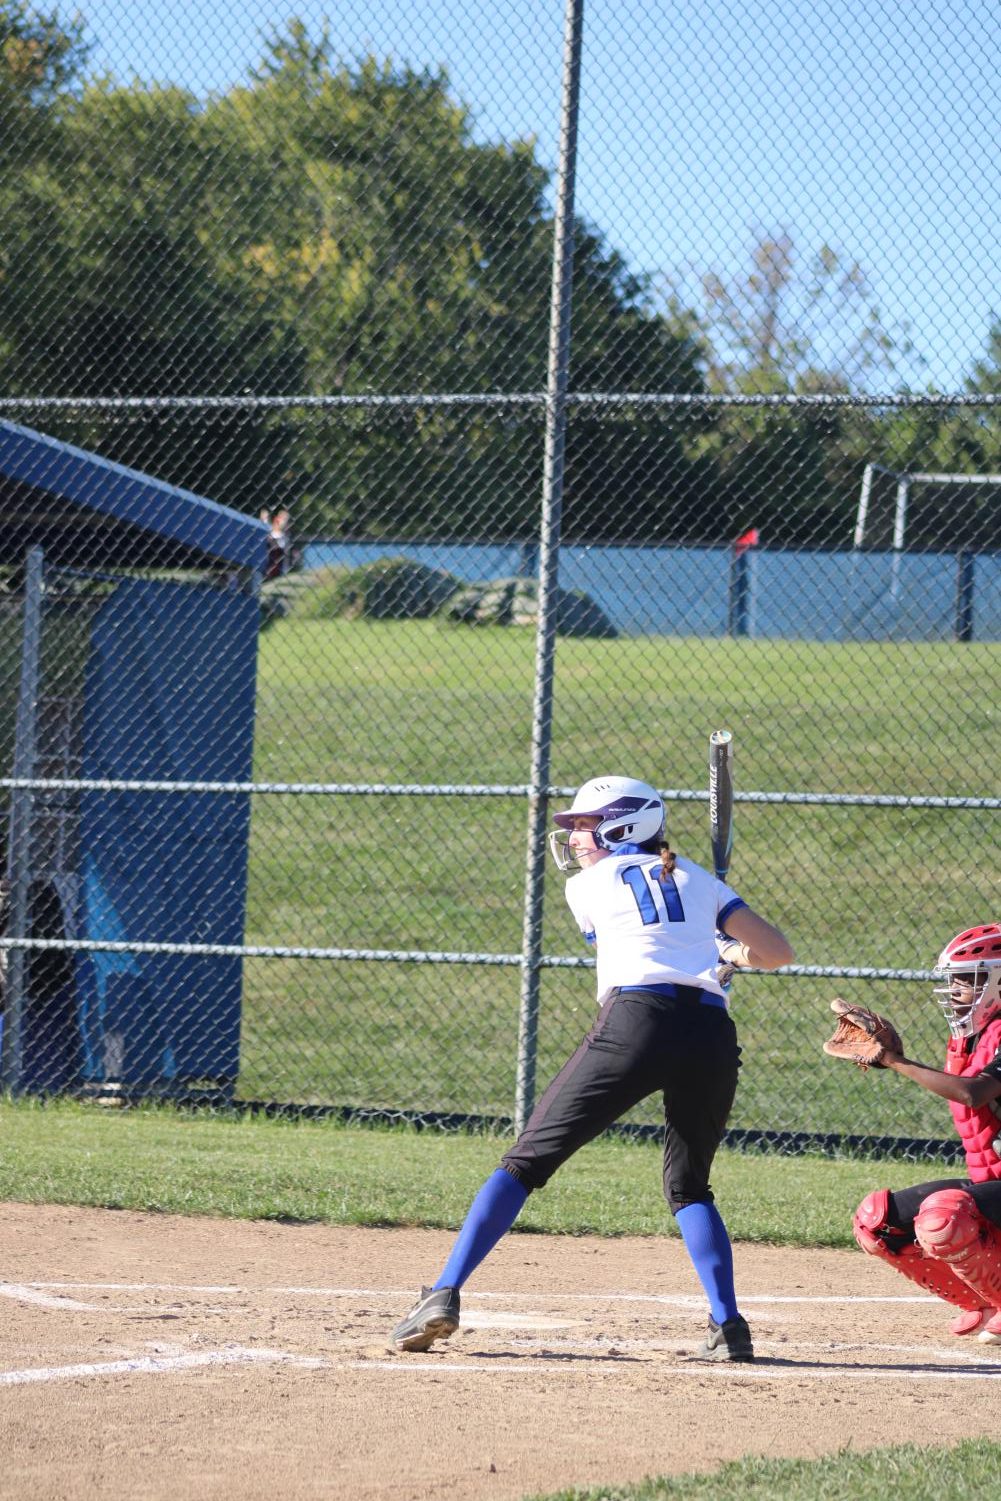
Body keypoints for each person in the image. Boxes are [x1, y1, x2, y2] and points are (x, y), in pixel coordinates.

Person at [392, 774, 794, 1362]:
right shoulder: (702, 881)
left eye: (585, 824)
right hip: (710, 1031)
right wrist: (724, 944)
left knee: (526, 1161)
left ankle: (443, 1293)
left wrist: (711, 943)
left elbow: (636, 937)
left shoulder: (589, 885)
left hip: (636, 1021)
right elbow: (777, 954)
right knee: (688, 1187)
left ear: (622, 825)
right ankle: (728, 1325)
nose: (576, 837)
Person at [850, 923, 1001, 1344]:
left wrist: (896, 1061)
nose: (955, 989)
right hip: (995, 1183)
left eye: (969, 980)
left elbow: (974, 1094)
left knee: (944, 1215)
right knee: (877, 1222)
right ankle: (983, 1301)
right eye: (954, 979)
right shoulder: (973, 1039)